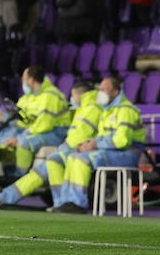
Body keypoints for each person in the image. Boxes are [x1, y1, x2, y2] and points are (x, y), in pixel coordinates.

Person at [0, 80, 101, 207]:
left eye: (72, 95)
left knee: (43, 168)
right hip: (73, 149)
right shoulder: (85, 108)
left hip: (78, 151)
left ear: (78, 95)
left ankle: (5, 197)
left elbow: (80, 136)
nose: (71, 99)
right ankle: (5, 197)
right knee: (41, 170)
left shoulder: (91, 109)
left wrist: (64, 148)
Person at [57, 76, 146, 213]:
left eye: (104, 89)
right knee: (73, 157)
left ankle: (78, 204)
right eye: (100, 89)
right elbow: (101, 138)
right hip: (111, 152)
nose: (100, 92)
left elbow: (122, 141)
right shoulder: (107, 110)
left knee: (82, 160)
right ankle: (66, 201)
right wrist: (88, 144)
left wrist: (95, 145)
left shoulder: (126, 110)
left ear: (115, 92)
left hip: (127, 154)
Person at [0, 66, 71, 179]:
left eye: (23, 79)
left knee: (24, 142)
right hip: (38, 129)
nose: (22, 82)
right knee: (4, 141)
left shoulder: (50, 96)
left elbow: (45, 124)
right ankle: (7, 174)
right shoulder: (28, 96)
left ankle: (20, 177)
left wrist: (20, 136)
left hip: (56, 132)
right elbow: (21, 117)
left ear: (31, 80)